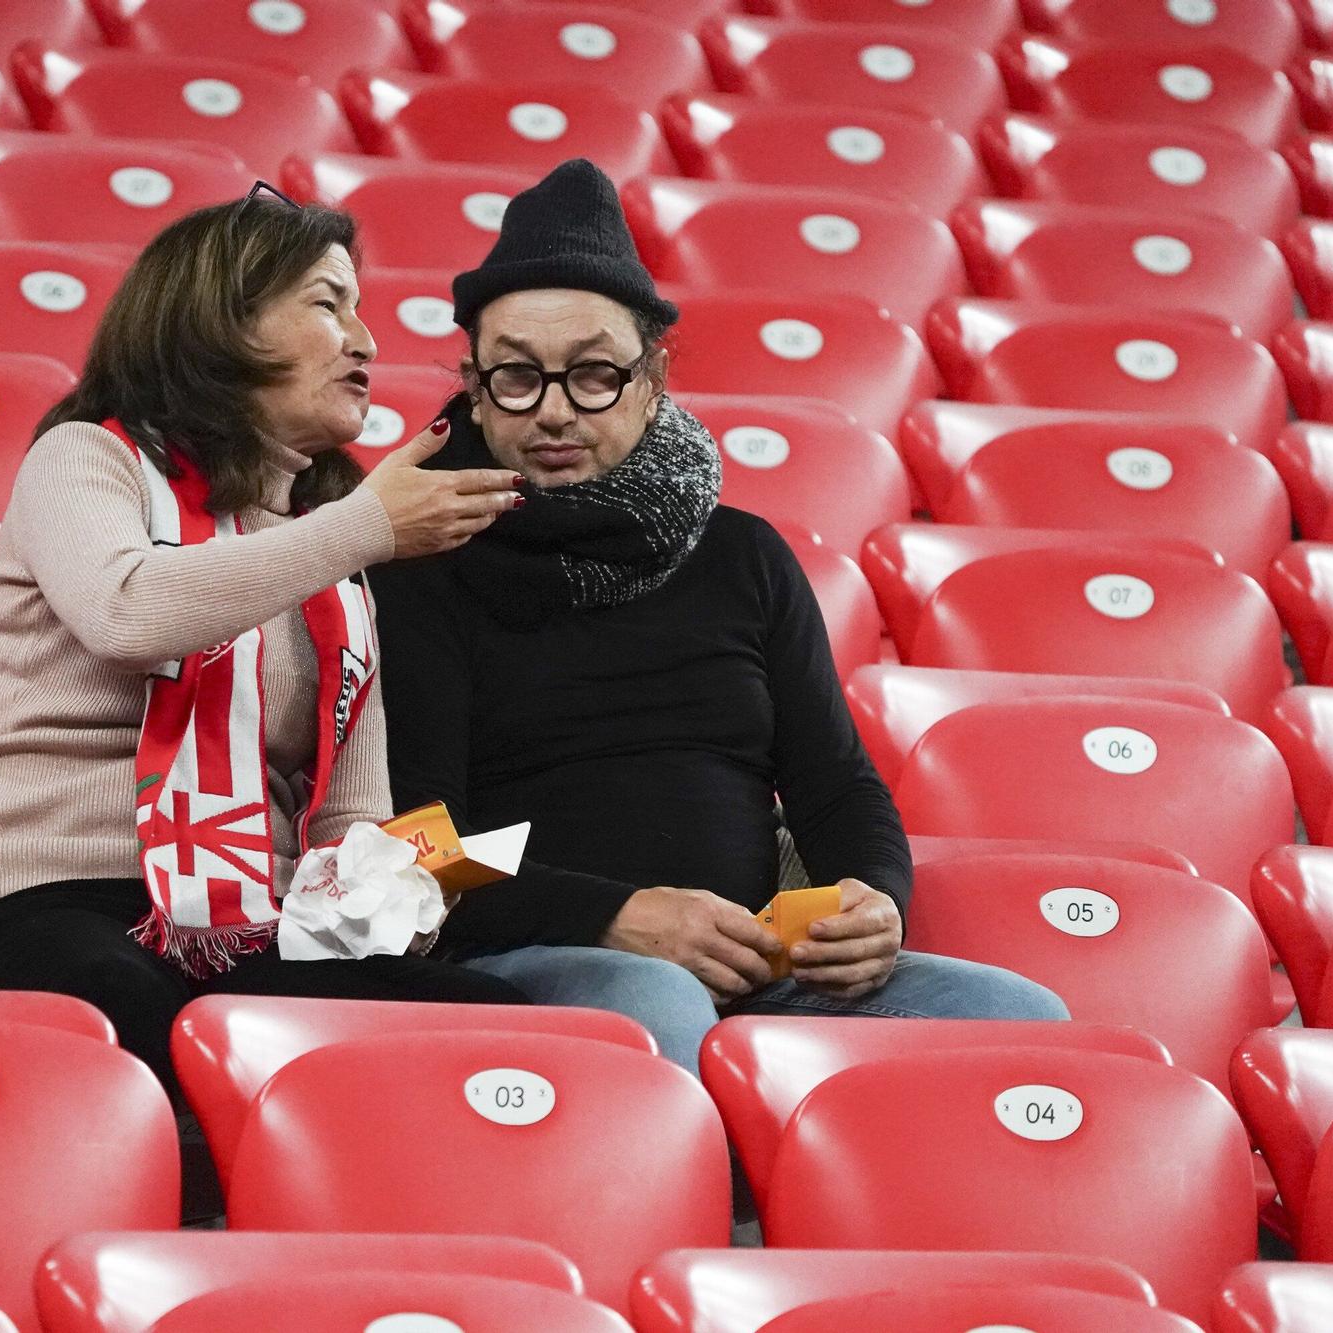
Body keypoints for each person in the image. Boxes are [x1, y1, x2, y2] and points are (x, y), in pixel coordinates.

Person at [373, 160, 1068, 1076]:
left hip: (752, 958)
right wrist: (613, 917)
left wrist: (875, 901)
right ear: (472, 382)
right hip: (530, 956)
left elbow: (836, 787)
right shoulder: (420, 560)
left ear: (651, 377)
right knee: (658, 998)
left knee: (1021, 1015)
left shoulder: (744, 555)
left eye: (592, 374)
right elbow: (417, 839)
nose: (552, 411)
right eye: (515, 377)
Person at [0, 185, 530, 1086]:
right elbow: (128, 610)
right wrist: (362, 528)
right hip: (46, 900)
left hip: (254, 923)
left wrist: (395, 900)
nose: (365, 341)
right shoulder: (87, 459)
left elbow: (346, 816)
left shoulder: (335, 550)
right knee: (125, 1008)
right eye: (328, 303)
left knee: (502, 1034)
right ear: (219, 323)